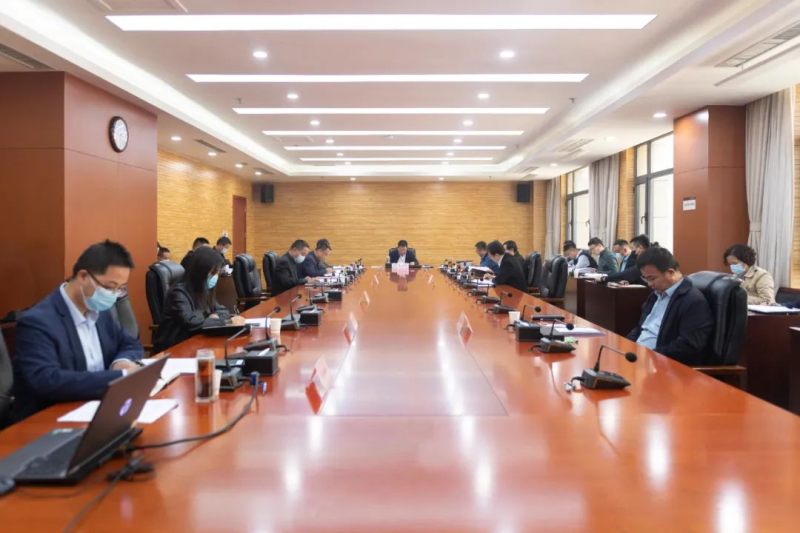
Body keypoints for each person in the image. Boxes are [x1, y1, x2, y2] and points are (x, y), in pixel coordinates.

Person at [11, 240, 144, 422]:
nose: (113, 295)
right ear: (83, 276)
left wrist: (121, 362)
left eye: (119, 289)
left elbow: (130, 343)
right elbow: (47, 380)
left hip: (100, 410)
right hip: (49, 421)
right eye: (108, 287)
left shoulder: (101, 312)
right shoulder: (38, 322)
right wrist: (120, 377)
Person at [626, 247, 713, 366]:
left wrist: (650, 356)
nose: (649, 284)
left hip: (663, 364)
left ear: (671, 273)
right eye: (645, 279)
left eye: (652, 278)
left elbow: (688, 345)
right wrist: (625, 345)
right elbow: (641, 327)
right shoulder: (656, 294)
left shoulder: (693, 301)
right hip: (640, 358)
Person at [153, 247, 245, 353]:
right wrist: (224, 321)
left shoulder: (203, 290)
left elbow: (223, 311)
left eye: (217, 273)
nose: (215, 277)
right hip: (175, 348)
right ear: (201, 271)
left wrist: (214, 317)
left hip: (197, 343)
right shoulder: (178, 293)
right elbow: (191, 323)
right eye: (213, 273)